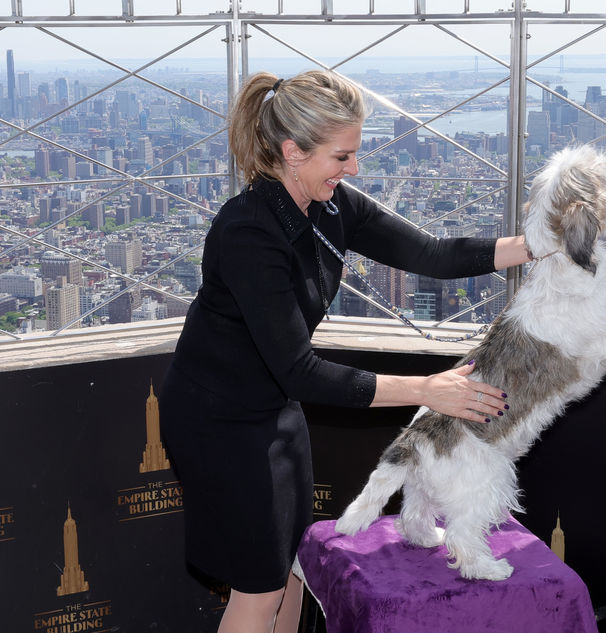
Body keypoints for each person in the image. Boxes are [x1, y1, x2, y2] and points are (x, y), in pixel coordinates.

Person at [159, 69, 532, 633]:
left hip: (274, 409)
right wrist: (428, 390)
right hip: (220, 420)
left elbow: (432, 255)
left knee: (286, 569)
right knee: (258, 588)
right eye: (342, 155)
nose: (354, 167)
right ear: (292, 152)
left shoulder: (331, 205)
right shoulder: (247, 232)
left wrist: (537, 246)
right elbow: (302, 372)